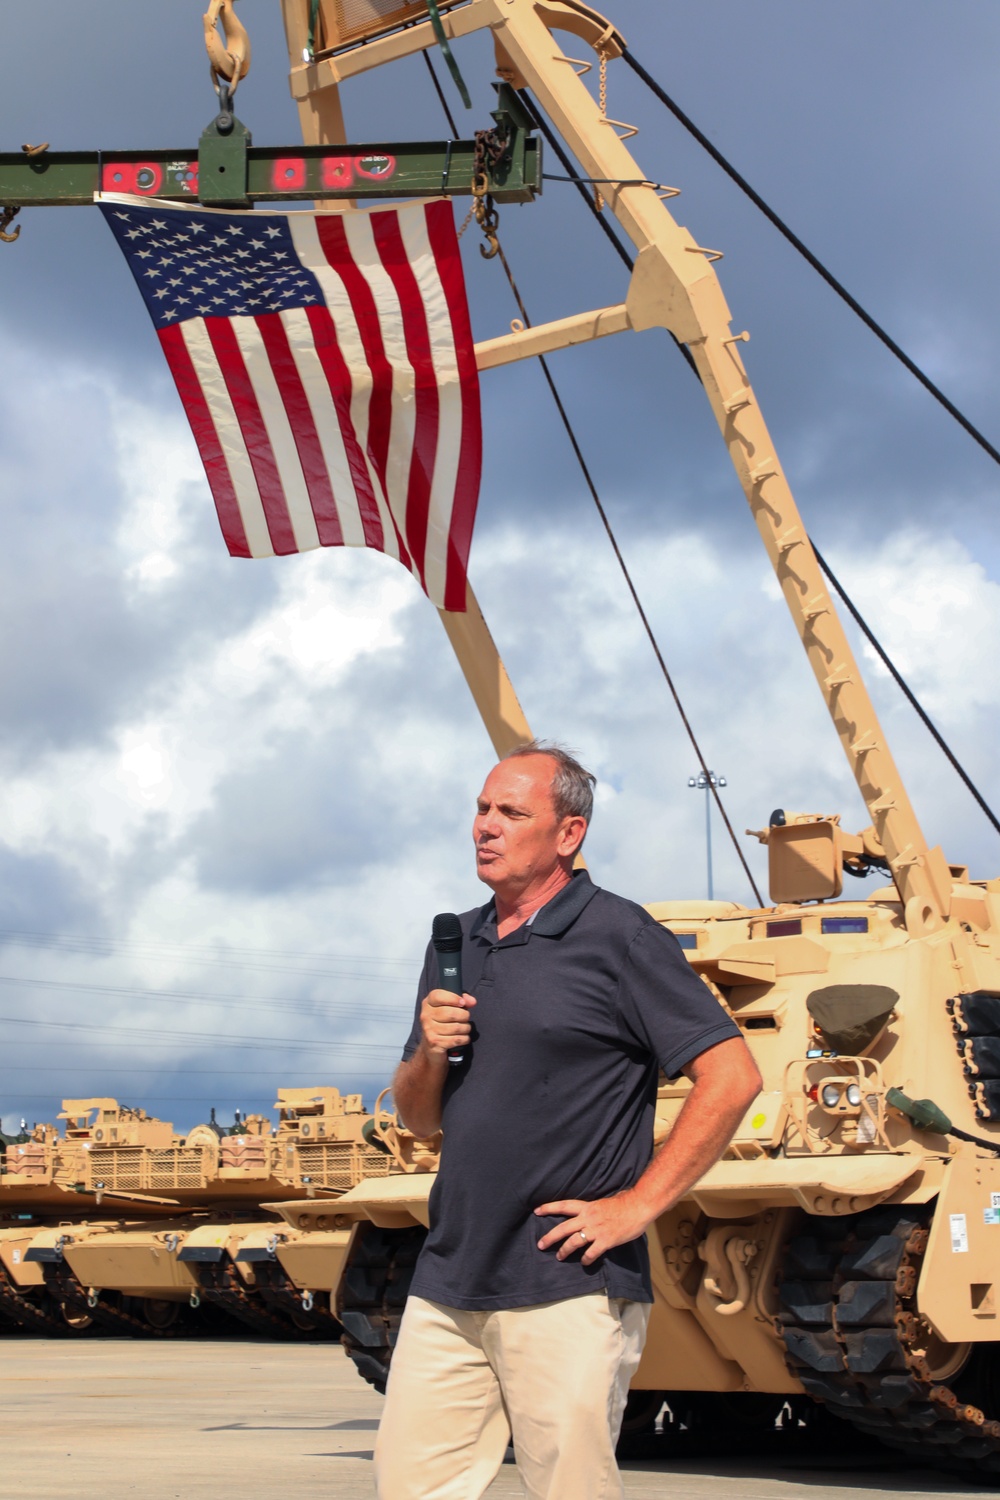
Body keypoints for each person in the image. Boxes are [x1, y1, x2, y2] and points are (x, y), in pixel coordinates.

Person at [374, 741, 762, 1500]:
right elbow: (421, 1119)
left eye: (510, 812)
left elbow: (733, 1074)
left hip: (566, 1281)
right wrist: (428, 1046)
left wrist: (640, 1206)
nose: (484, 826)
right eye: (482, 808)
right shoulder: (455, 939)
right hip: (451, 1275)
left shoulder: (620, 936)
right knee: (409, 1489)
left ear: (568, 834)